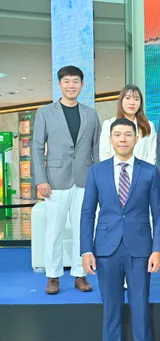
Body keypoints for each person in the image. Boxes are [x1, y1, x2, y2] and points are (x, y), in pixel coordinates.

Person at [80, 118, 160, 341]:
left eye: (128, 134)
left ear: (137, 139)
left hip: (140, 248)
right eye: (118, 134)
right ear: (110, 139)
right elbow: (87, 212)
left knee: (140, 304)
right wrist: (86, 250)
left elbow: (159, 213)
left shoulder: (150, 171)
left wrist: (158, 249)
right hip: (106, 248)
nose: (123, 139)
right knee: (111, 306)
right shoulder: (97, 171)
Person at [32, 65, 100, 295]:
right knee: (54, 231)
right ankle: (53, 276)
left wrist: (97, 180)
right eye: (67, 81)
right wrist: (40, 179)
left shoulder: (91, 114)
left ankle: (80, 274)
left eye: (75, 81)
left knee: (83, 229)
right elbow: (37, 147)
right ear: (60, 84)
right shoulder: (45, 112)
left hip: (85, 179)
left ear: (82, 85)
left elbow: (96, 149)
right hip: (54, 180)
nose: (71, 86)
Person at [100, 84, 157, 164]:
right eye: (128, 98)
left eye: (136, 99)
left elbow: (152, 155)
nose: (132, 103)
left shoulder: (148, 126)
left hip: (142, 170)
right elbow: (104, 154)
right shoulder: (108, 124)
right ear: (121, 100)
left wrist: (145, 171)